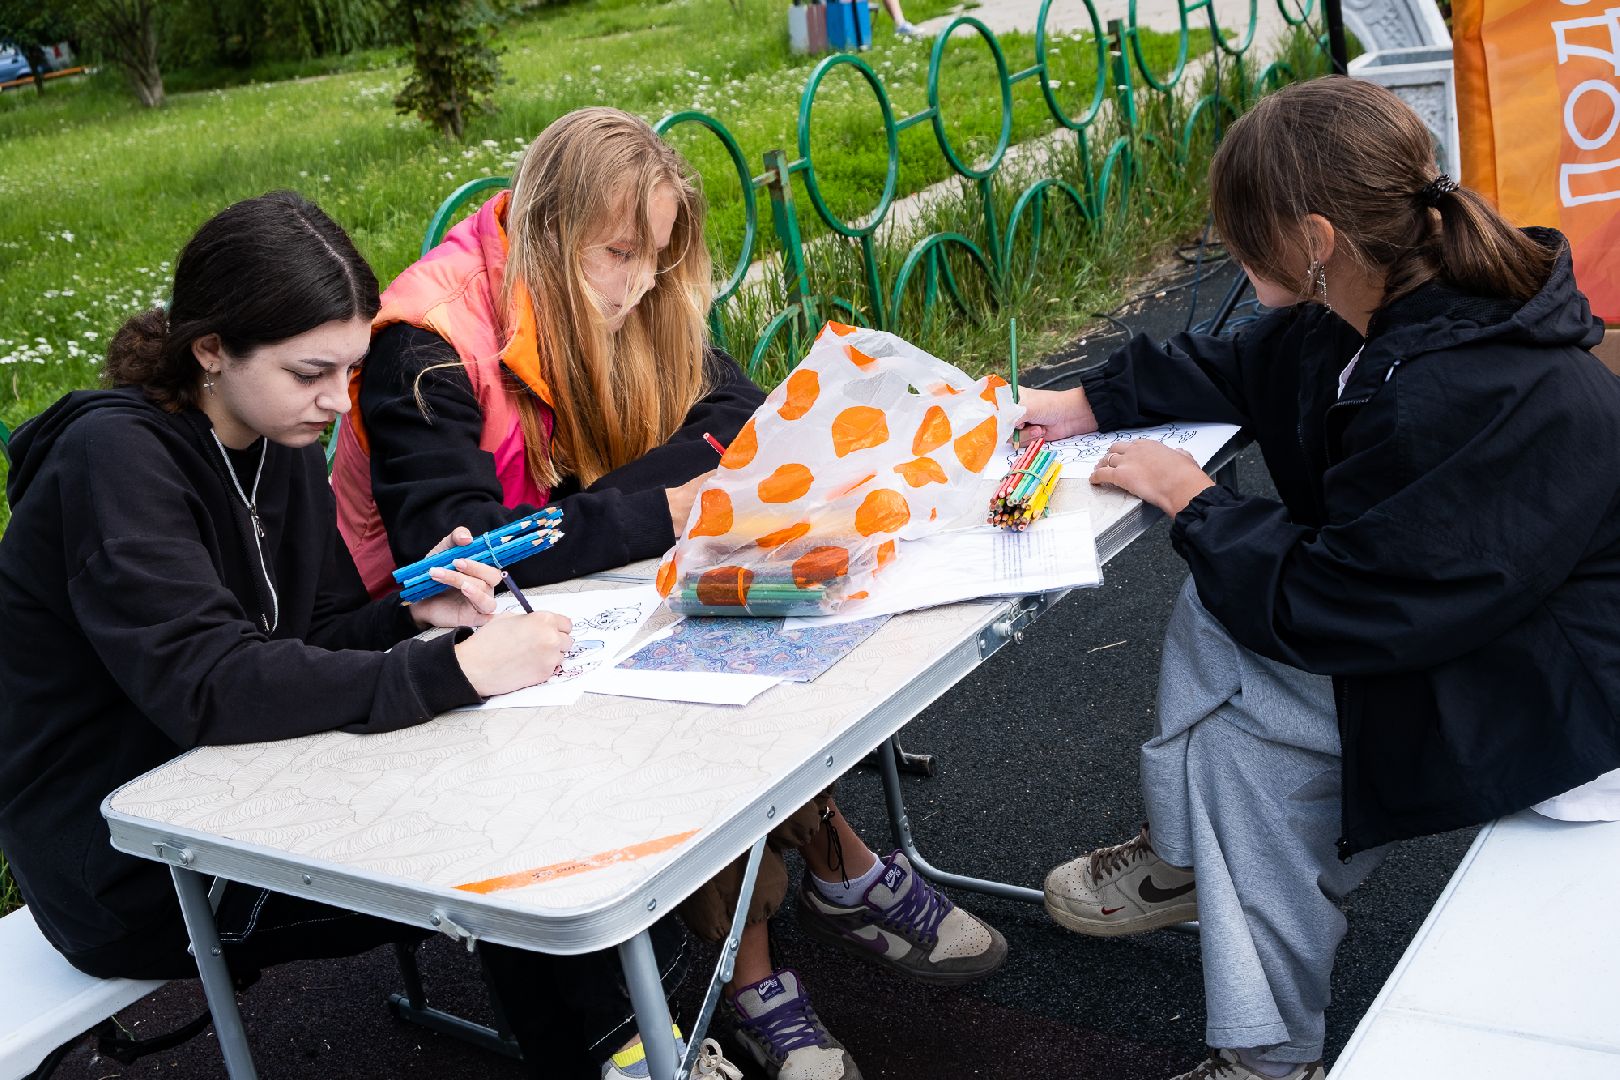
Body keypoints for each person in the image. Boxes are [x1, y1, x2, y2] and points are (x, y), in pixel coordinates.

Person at [331, 107, 1008, 1080]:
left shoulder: (609, 285)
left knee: (743, 618)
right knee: (693, 660)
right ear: (552, 230)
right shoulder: (424, 345)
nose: (642, 283)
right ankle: (770, 947)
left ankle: (793, 907)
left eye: (657, 255)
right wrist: (663, 502)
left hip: (572, 616)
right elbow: (470, 561)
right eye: (621, 253)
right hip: (427, 664)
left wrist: (605, 512)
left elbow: (734, 418)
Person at [0, 191, 726, 1080]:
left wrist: (416, 612)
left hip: (248, 789)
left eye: (346, 372)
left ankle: (632, 1052)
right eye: (309, 373)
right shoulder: (112, 462)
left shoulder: (278, 442)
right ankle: (633, 1060)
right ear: (211, 350)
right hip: (131, 861)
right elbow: (209, 685)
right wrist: (453, 674)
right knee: (506, 849)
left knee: (520, 804)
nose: (338, 404)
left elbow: (320, 630)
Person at [1016, 76, 1620, 1080]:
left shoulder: (1464, 388)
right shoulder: (1393, 300)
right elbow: (1241, 367)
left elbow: (1339, 607)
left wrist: (1196, 501)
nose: (1227, 250)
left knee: (1243, 760)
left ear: (1314, 237)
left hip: (1561, 705)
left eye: (1239, 234)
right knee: (1221, 636)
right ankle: (1189, 859)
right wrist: (1082, 401)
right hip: (1480, 632)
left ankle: (1259, 1051)